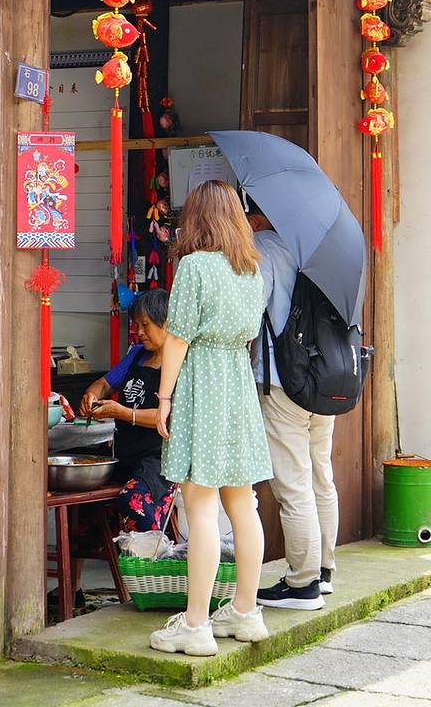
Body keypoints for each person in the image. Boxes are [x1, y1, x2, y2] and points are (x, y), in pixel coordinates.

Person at [150, 180, 273, 657]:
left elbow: (177, 337)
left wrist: (164, 397)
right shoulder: (251, 269)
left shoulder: (194, 266)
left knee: (200, 507)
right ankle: (246, 611)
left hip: (202, 384)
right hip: (237, 385)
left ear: (196, 217)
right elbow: (248, 335)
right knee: (243, 505)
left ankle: (196, 625)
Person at [246, 196, 338, 611]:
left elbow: (252, 314)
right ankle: (324, 571)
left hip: (282, 379)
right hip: (323, 378)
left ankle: (303, 585)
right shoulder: (321, 245)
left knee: (293, 484)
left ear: (258, 216)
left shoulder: (264, 246)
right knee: (321, 475)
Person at [80, 289, 175, 533]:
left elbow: (170, 418)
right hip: (124, 455)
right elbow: (105, 383)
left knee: (133, 500)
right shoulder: (137, 355)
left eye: (146, 325)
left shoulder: (179, 365)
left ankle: (153, 554)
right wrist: (92, 395)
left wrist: (122, 412)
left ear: (167, 323)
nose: (139, 332)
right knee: (80, 496)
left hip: (158, 460)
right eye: (137, 325)